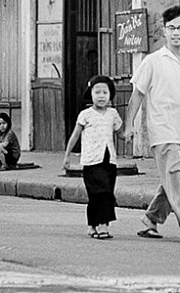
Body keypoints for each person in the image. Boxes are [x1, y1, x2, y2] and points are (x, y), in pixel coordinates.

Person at [124, 4, 180, 244]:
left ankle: (150, 220)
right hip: (163, 130)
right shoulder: (153, 61)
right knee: (174, 177)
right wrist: (129, 124)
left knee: (176, 181)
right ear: (164, 31)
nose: (176, 33)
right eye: (171, 28)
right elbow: (138, 94)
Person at [62, 75, 123, 239]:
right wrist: (67, 156)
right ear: (91, 94)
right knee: (99, 192)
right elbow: (74, 136)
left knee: (106, 193)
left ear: (110, 95)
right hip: (91, 161)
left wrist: (130, 133)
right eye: (97, 92)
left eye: (105, 92)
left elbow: (120, 134)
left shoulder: (113, 114)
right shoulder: (85, 114)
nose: (101, 96)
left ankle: (92, 225)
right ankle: (102, 226)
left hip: (109, 160)